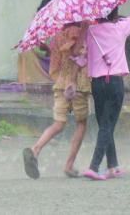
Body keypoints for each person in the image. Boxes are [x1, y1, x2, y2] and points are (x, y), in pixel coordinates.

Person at [83, 0, 130, 180]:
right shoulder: (120, 28)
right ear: (115, 14)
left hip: (96, 84)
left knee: (105, 122)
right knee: (107, 125)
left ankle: (113, 165)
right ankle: (94, 167)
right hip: (115, 83)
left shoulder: (90, 32)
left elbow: (81, 56)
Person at [22, 21, 91, 179]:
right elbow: (75, 54)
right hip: (78, 85)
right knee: (81, 124)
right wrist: (84, 32)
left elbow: (56, 59)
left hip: (61, 83)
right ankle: (69, 165)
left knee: (59, 123)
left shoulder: (58, 35)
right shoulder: (78, 32)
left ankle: (35, 149)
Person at [17, 0, 58, 84]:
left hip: (57, 54)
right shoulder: (38, 19)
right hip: (42, 53)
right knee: (25, 48)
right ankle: (29, 81)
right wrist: (46, 48)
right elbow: (35, 41)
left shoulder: (63, 18)